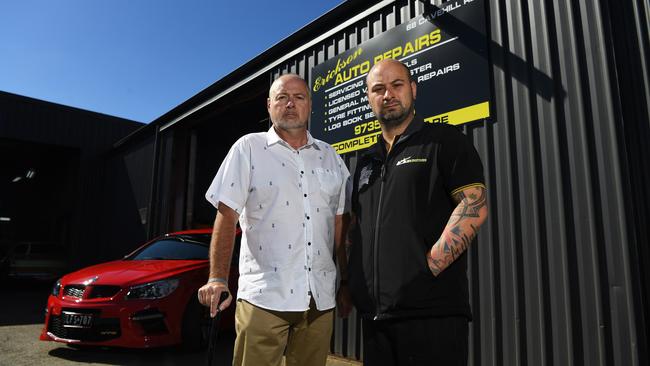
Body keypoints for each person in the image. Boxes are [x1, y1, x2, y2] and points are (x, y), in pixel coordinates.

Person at [197, 73, 352, 366]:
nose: (290, 103)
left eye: (299, 97)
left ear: (310, 106)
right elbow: (226, 215)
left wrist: (345, 281)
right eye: (282, 97)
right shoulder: (248, 149)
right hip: (264, 298)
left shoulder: (331, 157)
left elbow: (339, 225)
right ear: (269, 105)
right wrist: (217, 277)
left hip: (318, 299)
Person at [347, 59, 488, 365]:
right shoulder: (366, 162)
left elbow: (473, 206)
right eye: (378, 89)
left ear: (413, 89)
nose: (388, 94)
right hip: (376, 319)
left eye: (397, 85)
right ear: (370, 99)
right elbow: (356, 225)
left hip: (431, 314)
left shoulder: (445, 142)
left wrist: (427, 269)